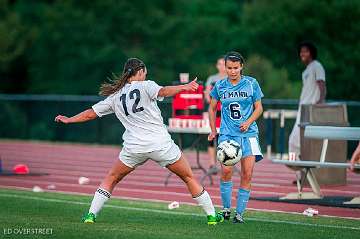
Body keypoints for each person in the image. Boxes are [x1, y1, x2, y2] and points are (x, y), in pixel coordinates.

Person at [54, 58, 224, 225]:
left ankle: (91, 215)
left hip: (134, 148)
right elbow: (164, 91)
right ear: (141, 71)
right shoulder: (146, 85)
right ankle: (211, 216)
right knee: (188, 177)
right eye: (145, 72)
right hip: (160, 145)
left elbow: (91, 113)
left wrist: (69, 120)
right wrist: (184, 87)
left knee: (111, 178)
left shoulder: (116, 95)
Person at [208, 51, 264, 223]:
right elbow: (212, 108)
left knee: (247, 174)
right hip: (227, 134)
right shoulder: (219, 85)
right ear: (225, 67)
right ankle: (226, 209)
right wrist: (213, 130)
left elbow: (259, 108)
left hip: (249, 135)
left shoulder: (251, 83)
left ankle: (239, 214)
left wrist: (248, 122)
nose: (233, 71)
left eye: (236, 68)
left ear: (241, 67)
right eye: (229, 68)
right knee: (226, 171)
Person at [288, 41, 326, 160]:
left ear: (311, 53)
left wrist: (320, 103)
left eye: (305, 51)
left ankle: (298, 168)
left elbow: (322, 85)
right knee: (296, 142)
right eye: (301, 51)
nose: (302, 53)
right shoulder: (306, 71)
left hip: (310, 109)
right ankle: (299, 173)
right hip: (303, 108)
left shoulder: (317, 66)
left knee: (297, 141)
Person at [204, 56, 227, 174]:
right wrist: (212, 102)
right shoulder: (212, 78)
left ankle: (225, 163)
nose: (222, 66)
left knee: (224, 139)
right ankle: (212, 164)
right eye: (219, 64)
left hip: (227, 115)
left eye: (224, 64)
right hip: (214, 112)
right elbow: (207, 94)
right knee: (212, 138)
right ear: (217, 66)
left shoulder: (231, 78)